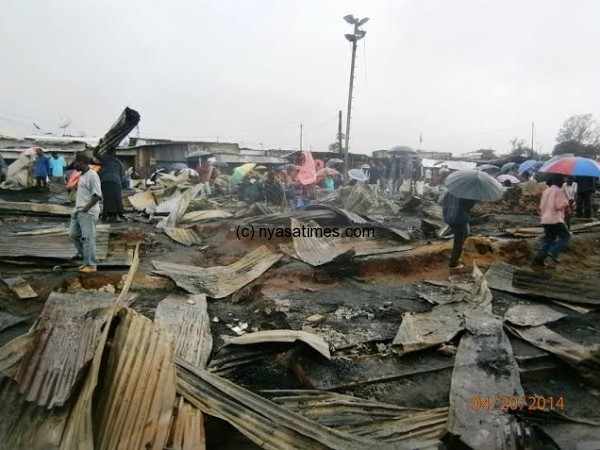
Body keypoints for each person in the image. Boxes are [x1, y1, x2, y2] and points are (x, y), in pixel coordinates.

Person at [69, 156, 102, 273]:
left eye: (76, 163)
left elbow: (97, 195)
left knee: (87, 238)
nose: (74, 165)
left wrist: (85, 209)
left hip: (88, 212)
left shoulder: (92, 176)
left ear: (83, 163)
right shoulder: (82, 175)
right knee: (73, 234)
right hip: (78, 210)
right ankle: (88, 259)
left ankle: (91, 265)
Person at [532, 176, 570, 267]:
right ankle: (554, 252)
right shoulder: (558, 191)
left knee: (549, 239)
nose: (563, 183)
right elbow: (559, 206)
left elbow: (541, 206)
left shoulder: (546, 191)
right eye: (562, 180)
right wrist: (566, 204)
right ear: (558, 181)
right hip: (555, 219)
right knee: (565, 236)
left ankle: (539, 259)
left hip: (545, 219)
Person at [442, 192, 477, 269]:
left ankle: (457, 255)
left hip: (450, 218)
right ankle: (453, 263)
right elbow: (467, 207)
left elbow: (444, 205)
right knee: (459, 241)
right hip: (459, 220)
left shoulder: (448, 193)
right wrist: (474, 200)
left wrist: (446, 217)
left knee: (462, 237)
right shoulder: (464, 195)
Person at [94, 149, 125, 223]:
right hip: (116, 181)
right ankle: (116, 216)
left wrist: (99, 145)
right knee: (117, 198)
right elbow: (122, 174)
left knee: (107, 198)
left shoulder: (105, 159)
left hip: (106, 180)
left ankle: (107, 215)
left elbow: (95, 153)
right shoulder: (119, 162)